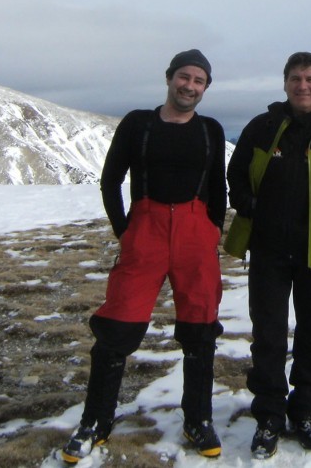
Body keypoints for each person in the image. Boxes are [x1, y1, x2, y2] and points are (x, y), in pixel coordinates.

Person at [61, 49, 228, 462]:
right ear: (169, 78)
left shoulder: (210, 129)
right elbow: (110, 180)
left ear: (206, 87)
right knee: (118, 326)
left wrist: (210, 232)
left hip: (194, 234)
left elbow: (219, 188)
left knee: (200, 327)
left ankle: (198, 419)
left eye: (199, 81)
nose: (190, 86)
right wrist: (126, 231)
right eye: (184, 77)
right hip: (146, 229)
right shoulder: (139, 123)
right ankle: (95, 422)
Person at [226, 51, 311, 459]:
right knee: (268, 335)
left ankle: (305, 411)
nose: (302, 86)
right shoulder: (263, 127)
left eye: (310, 79)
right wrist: (249, 204)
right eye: (295, 79)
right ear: (284, 83)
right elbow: (235, 175)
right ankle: (269, 414)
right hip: (268, 249)